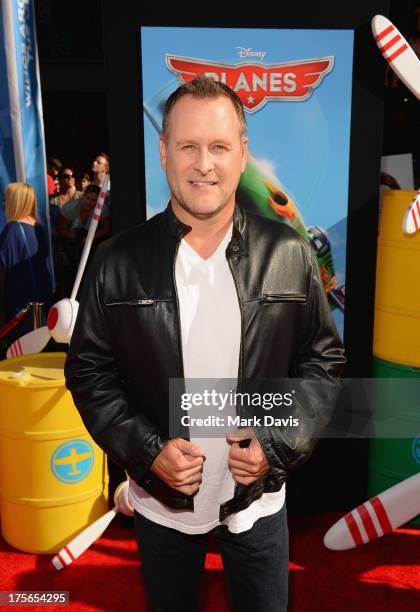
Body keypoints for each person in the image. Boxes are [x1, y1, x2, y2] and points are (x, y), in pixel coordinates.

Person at [65, 77, 345, 612]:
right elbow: (88, 373)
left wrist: (277, 443)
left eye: (219, 147)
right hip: (161, 505)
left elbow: (322, 360)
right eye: (188, 146)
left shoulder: (289, 252)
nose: (204, 164)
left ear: (242, 155)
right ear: (164, 152)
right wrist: (148, 453)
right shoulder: (118, 263)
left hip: (257, 505)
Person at [0, 182, 54, 348]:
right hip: (39, 309)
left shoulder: (12, 230)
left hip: (19, 310)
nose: (3, 203)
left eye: (5, 199)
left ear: (15, 201)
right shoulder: (38, 229)